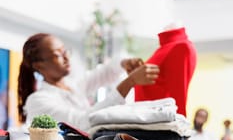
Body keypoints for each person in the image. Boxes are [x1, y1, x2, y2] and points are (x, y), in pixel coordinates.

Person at [17, 33, 160, 131]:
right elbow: (82, 122)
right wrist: (130, 82)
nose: (66, 57)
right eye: (57, 54)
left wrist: (125, 62)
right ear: (38, 65)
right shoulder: (38, 101)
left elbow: (105, 71)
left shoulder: (73, 85)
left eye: (65, 51)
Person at [134, 23, 197, 117]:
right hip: (146, 117)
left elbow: (179, 91)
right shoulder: (165, 48)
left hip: (157, 121)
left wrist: (178, 126)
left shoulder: (180, 47)